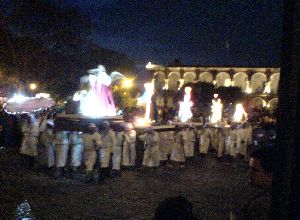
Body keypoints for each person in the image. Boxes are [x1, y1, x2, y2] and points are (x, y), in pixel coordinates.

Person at [230, 147, 272, 219]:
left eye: (254, 170)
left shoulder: (261, 205)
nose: (248, 174)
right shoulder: (263, 195)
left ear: (270, 175)